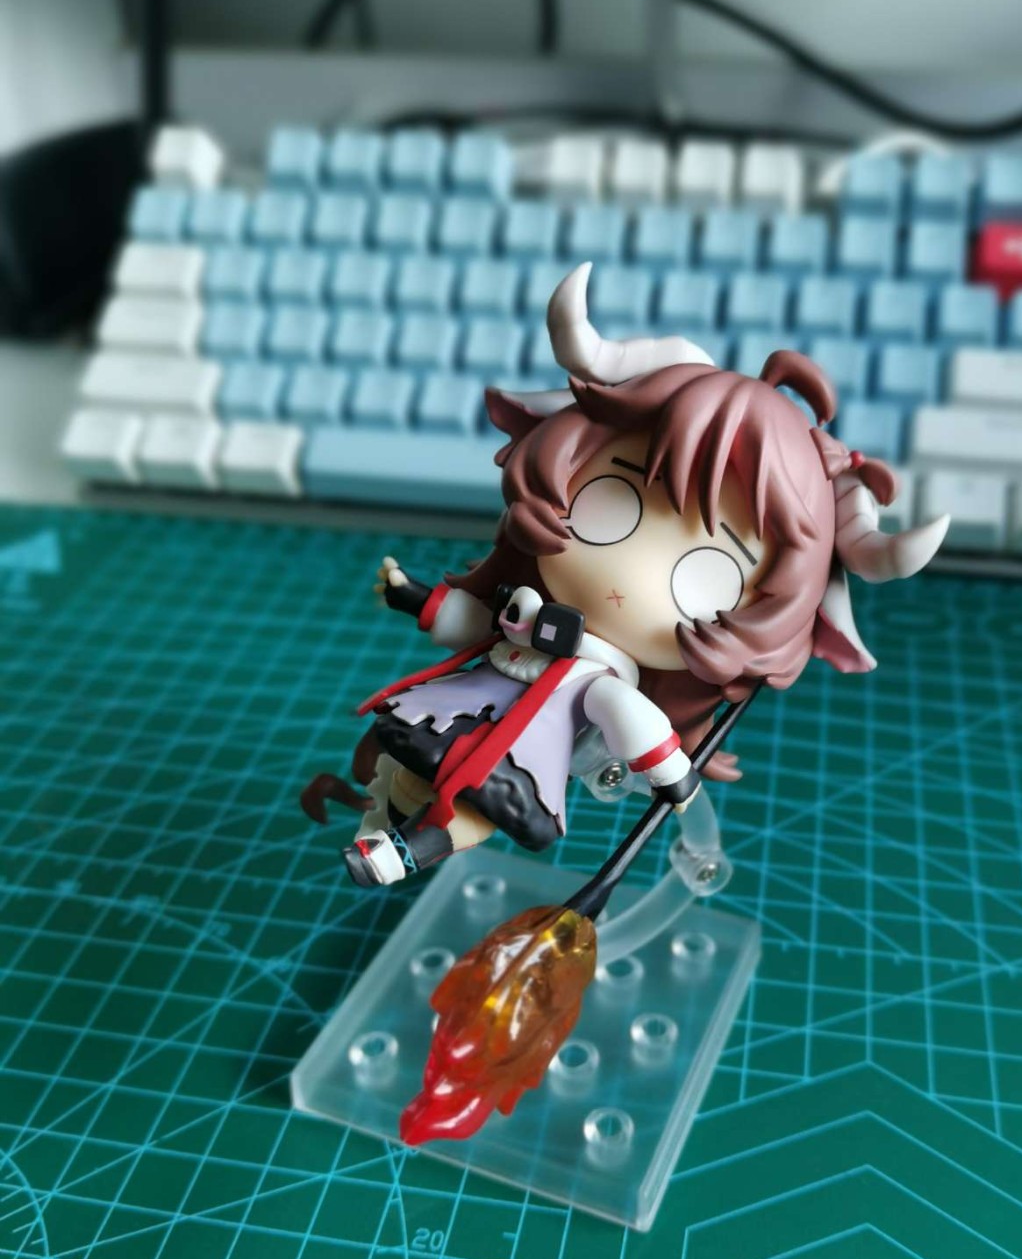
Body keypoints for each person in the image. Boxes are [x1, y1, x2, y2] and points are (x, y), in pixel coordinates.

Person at [302, 264, 949, 887]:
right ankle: (379, 819)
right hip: (465, 703)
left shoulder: (603, 682)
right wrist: (417, 598)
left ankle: (406, 852)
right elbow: (472, 623)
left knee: (478, 800)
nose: (632, 575)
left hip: (525, 746)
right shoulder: (526, 602)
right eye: (612, 499)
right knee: (405, 764)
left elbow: (628, 715)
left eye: (712, 569)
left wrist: (672, 773)